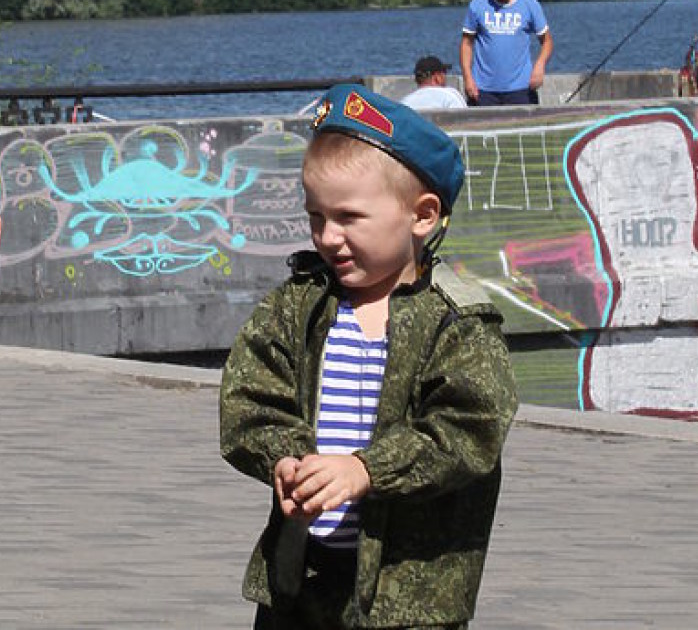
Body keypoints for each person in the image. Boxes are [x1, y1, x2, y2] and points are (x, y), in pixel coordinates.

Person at [220, 84, 518, 629]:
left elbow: (469, 429)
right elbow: (250, 399)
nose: (329, 238)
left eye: (349, 218)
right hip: (301, 585)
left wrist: (365, 470)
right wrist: (282, 457)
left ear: (422, 215)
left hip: (409, 598)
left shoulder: (456, 322)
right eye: (317, 217)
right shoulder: (298, 306)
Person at [460, 0, 553, 106]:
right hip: (483, 89)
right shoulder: (478, 4)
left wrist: (540, 65)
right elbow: (466, 43)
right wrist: (467, 77)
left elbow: (547, 41)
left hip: (520, 88)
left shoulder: (530, 5)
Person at [400, 54, 467, 111]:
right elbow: (465, 120)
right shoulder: (450, 96)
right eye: (444, 72)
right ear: (437, 77)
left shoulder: (405, 103)